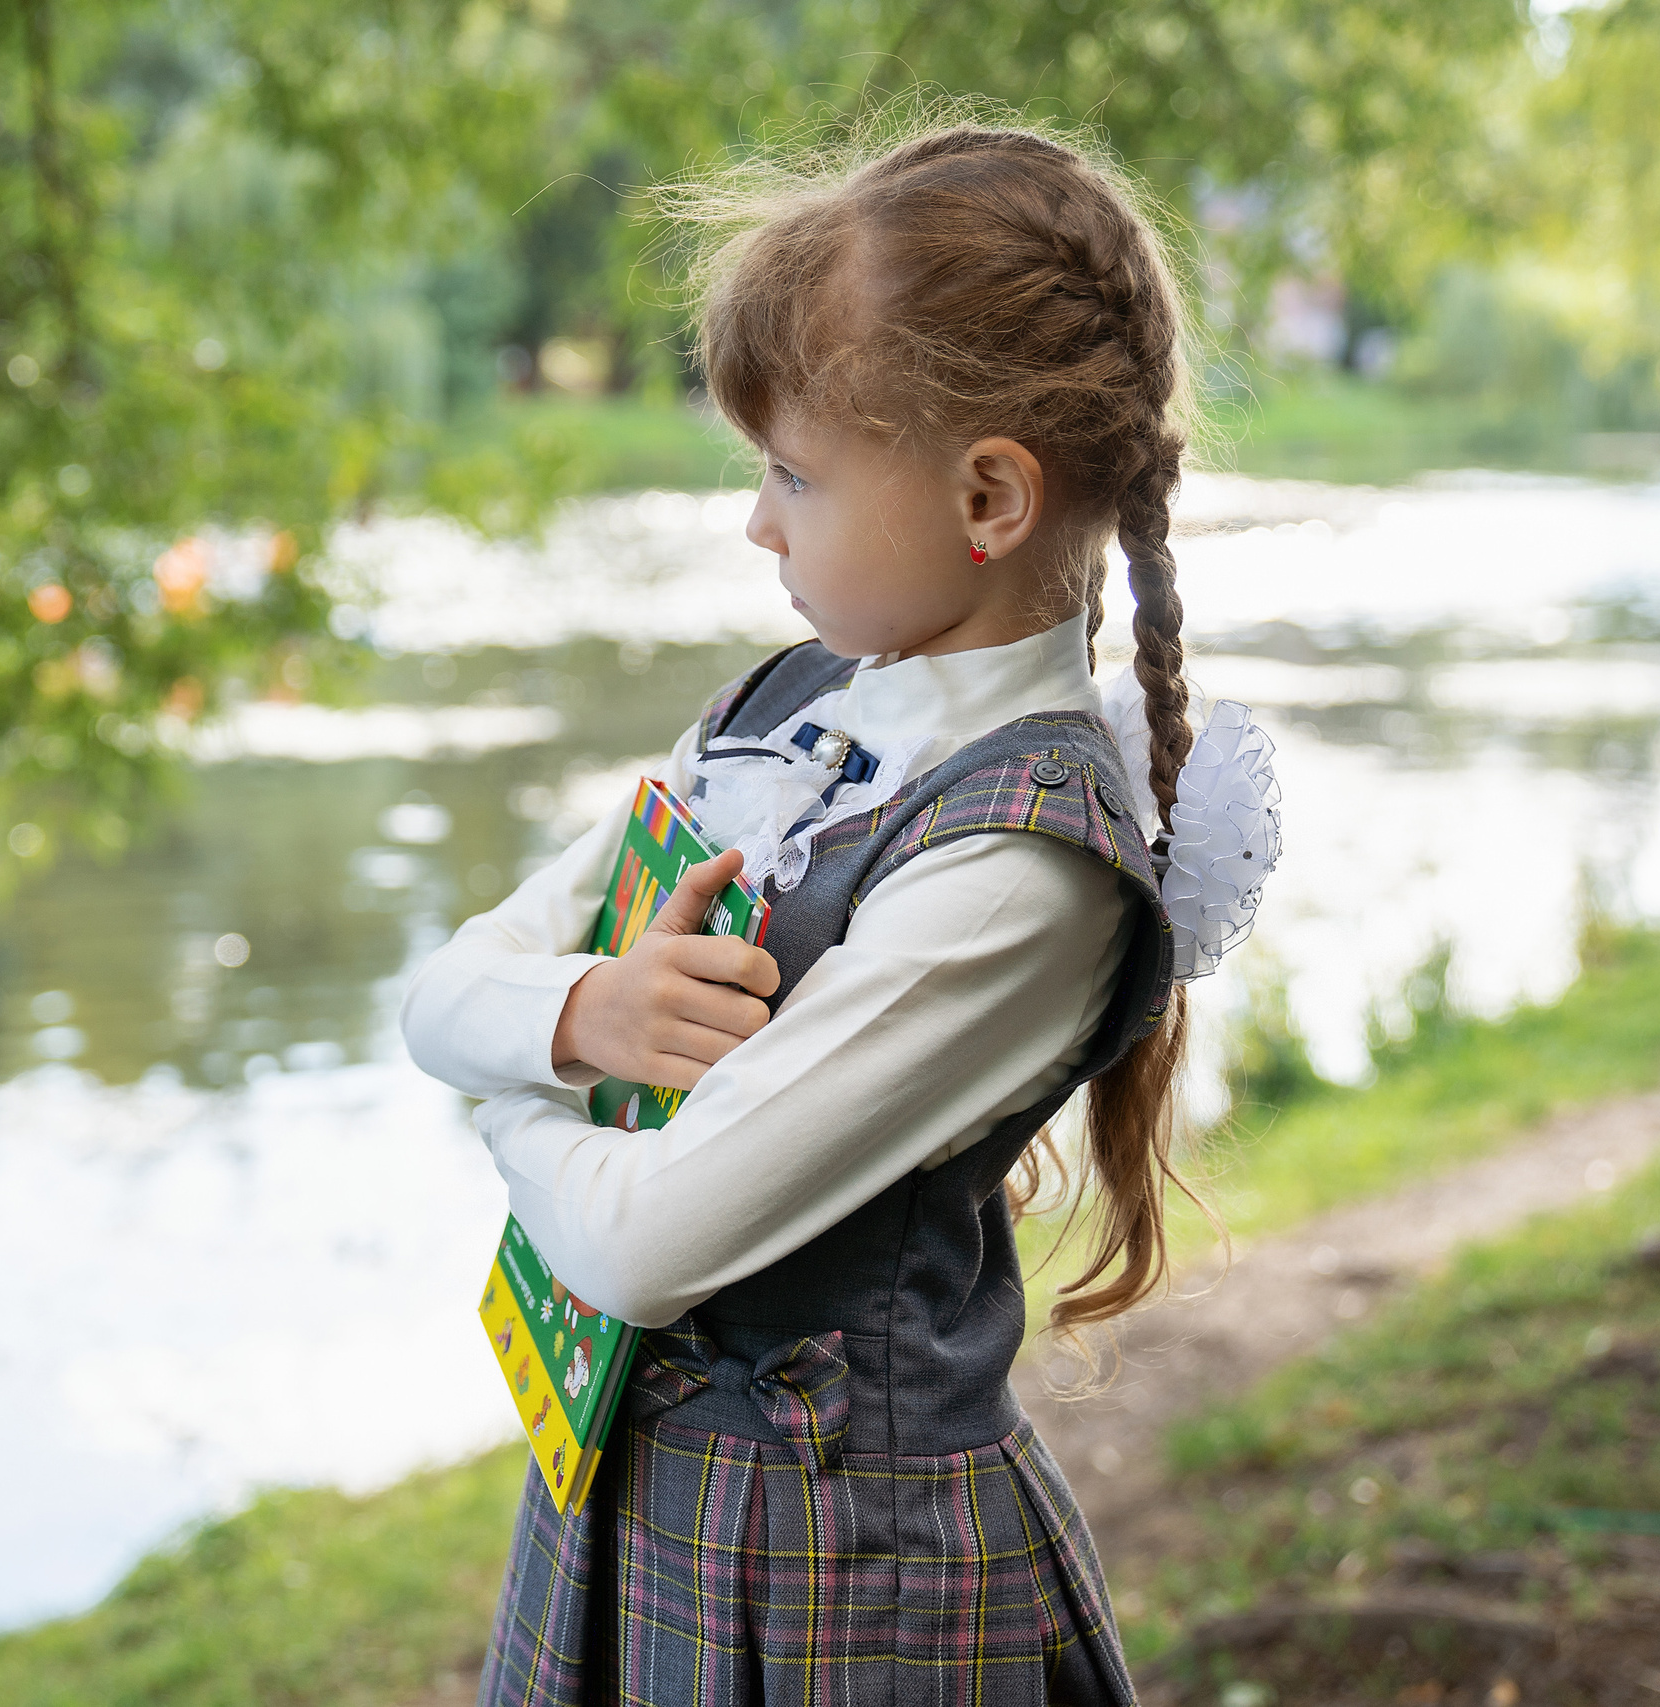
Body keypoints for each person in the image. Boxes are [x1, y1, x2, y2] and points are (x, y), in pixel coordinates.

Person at [402, 117, 1271, 1707]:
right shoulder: (783, 714)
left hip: (844, 1590)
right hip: (620, 1506)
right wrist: (577, 1019)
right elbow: (439, 991)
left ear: (988, 497)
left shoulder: (1021, 866)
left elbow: (646, 1244)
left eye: (794, 472)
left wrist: (508, 1094)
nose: (759, 520)